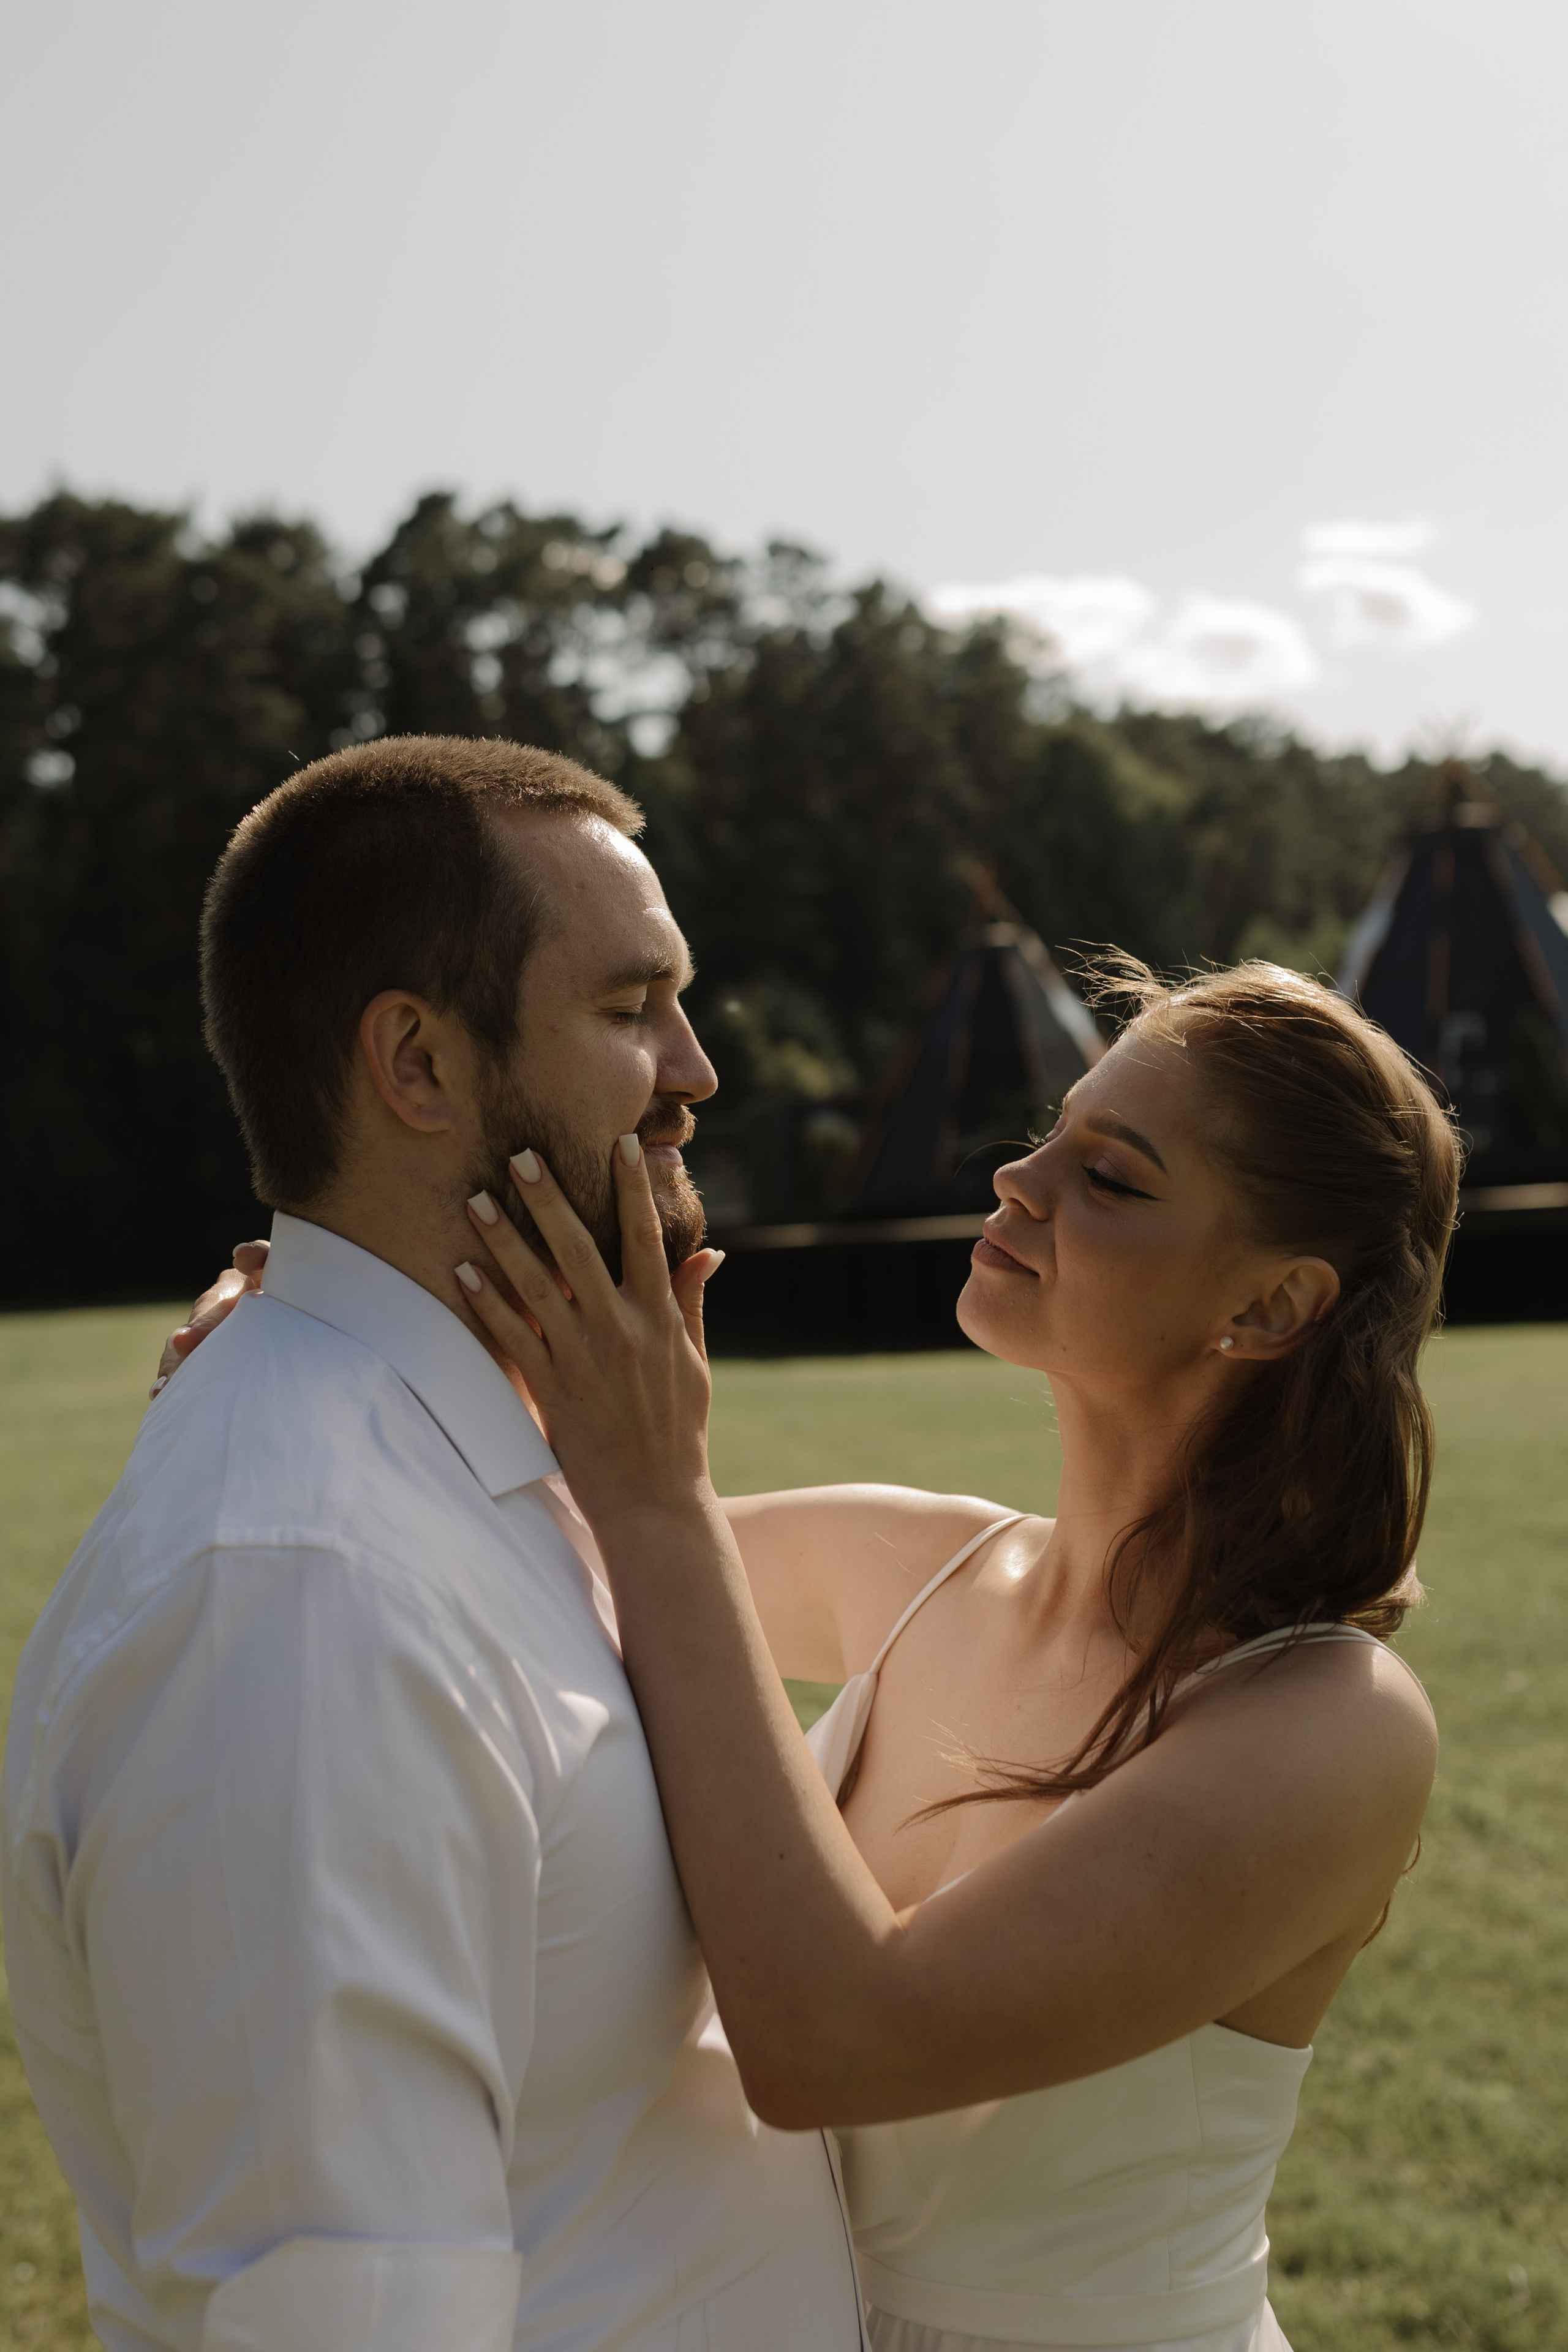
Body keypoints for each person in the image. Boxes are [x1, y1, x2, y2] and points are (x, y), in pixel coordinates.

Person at [434, 959, 1455, 2352]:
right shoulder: (915, 1563)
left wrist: (663, 1495)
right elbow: (511, 1565)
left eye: (1112, 1177)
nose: (1017, 1178)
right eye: (1050, 1131)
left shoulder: (1329, 1726)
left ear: (1270, 1308)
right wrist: (351, 1350)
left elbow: (834, 2040)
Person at [1, 737, 867, 2352]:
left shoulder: (495, 1471)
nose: (696, 1068)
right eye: (628, 1010)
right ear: (418, 1065)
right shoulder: (295, 1606)